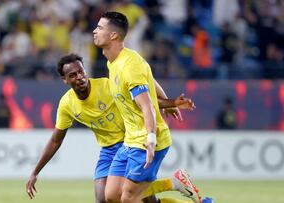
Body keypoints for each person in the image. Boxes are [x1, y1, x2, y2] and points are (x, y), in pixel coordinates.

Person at [26, 54, 202, 203]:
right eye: (72, 75)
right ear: (65, 80)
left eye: (81, 71)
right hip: (108, 150)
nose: (79, 77)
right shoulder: (67, 104)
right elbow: (56, 139)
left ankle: (174, 184)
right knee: (104, 199)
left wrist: (169, 103)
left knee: (139, 199)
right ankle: (175, 183)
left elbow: (142, 96)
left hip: (131, 142)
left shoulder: (106, 85)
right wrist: (35, 172)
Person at [93, 11, 213, 203]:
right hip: (130, 140)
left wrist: (150, 139)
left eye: (99, 28)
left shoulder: (129, 65)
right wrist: (168, 101)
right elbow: (150, 79)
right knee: (111, 196)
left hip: (145, 141)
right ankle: (174, 182)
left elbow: (147, 105)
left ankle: (176, 185)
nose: (94, 31)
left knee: (128, 198)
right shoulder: (114, 61)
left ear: (113, 35)